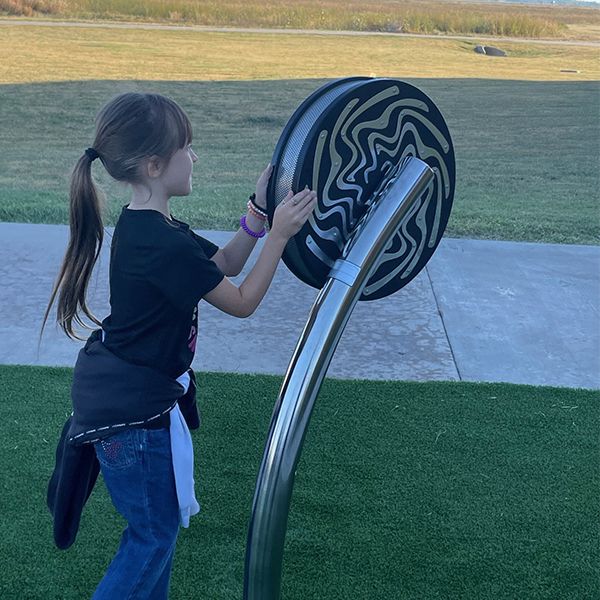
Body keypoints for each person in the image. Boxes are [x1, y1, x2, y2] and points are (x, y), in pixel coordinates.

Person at [40, 92, 317, 599]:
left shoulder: (149, 226)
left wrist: (259, 210)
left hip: (128, 402)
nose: (194, 157)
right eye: (186, 148)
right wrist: (278, 236)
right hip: (135, 418)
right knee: (153, 536)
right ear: (153, 165)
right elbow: (241, 300)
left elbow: (226, 265)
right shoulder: (159, 243)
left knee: (155, 534)